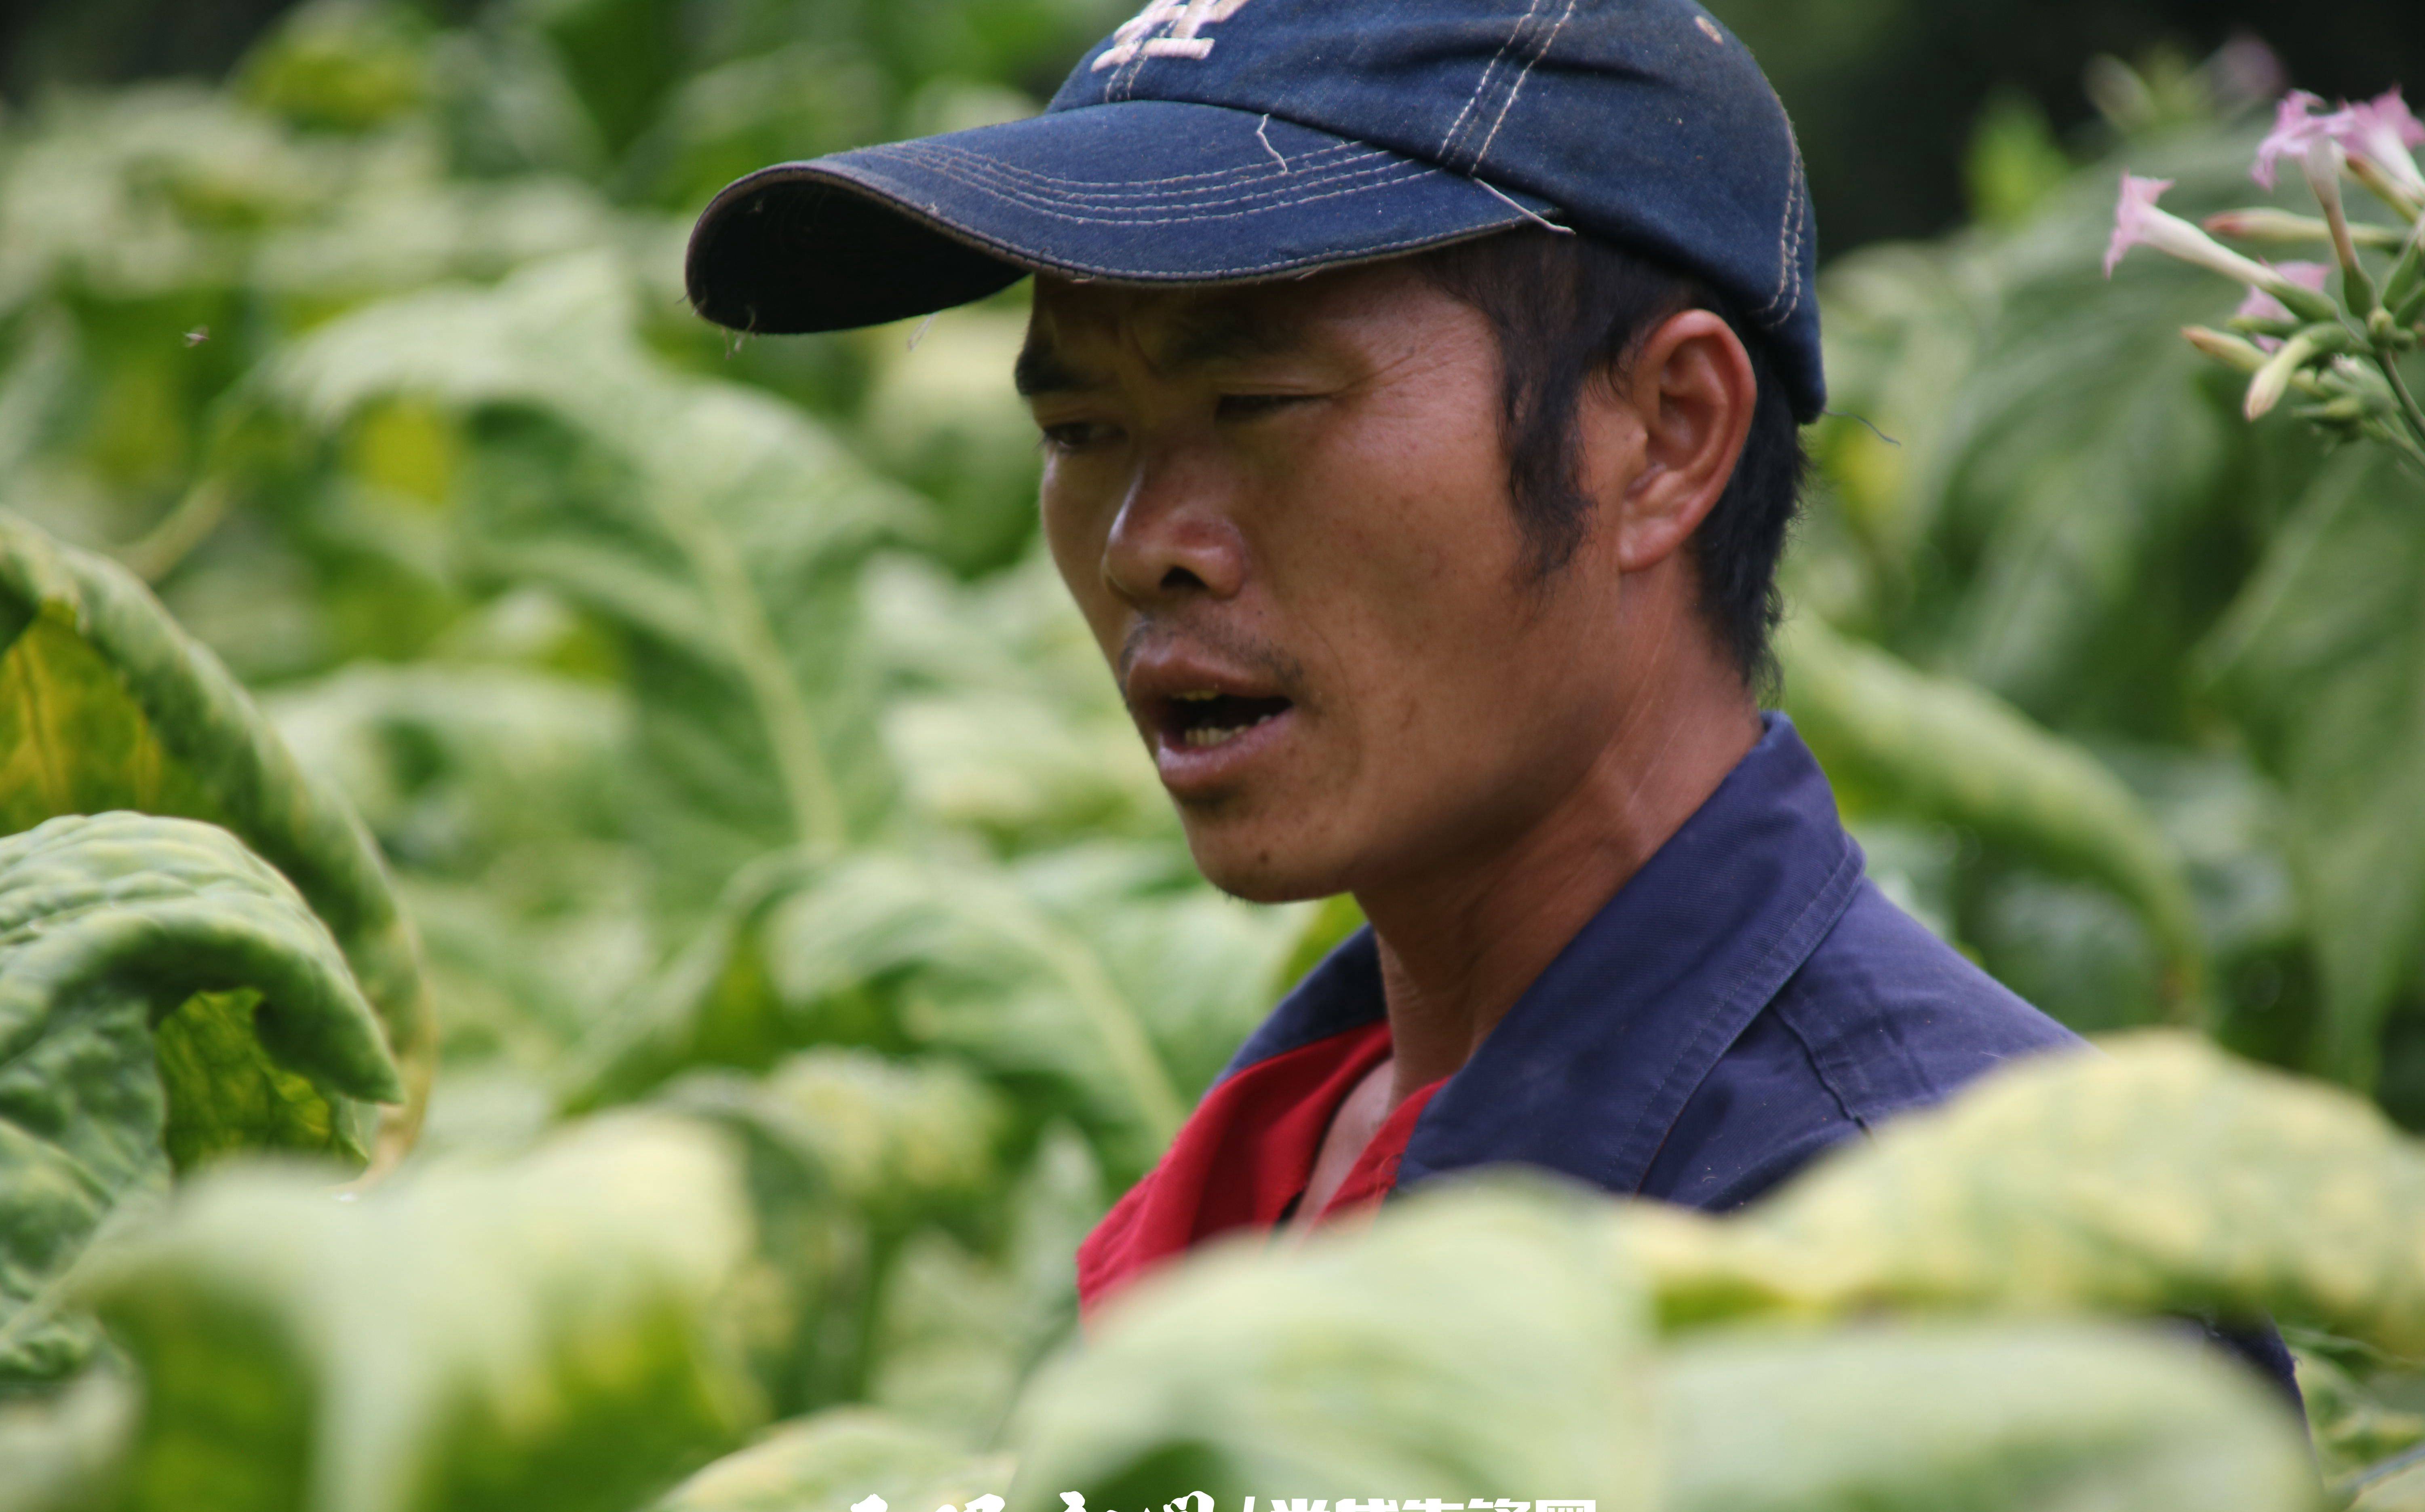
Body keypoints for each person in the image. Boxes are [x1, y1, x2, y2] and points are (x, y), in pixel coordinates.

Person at [682, 0, 2298, 1403]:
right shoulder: (1260, 1176)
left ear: (1665, 438)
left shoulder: (1988, 1277)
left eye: (1255, 401)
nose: (1141, 544)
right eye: (1082, 430)